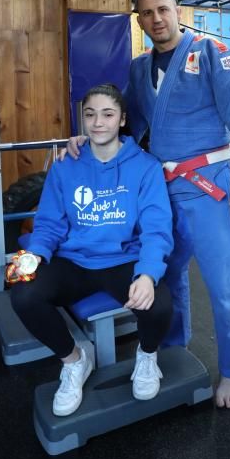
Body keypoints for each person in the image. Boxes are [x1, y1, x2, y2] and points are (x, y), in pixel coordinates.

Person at [65, 0, 230, 408]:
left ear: (177, 9)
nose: (157, 18)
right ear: (138, 21)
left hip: (207, 185)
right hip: (159, 187)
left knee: (223, 284)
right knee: (164, 277)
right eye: (147, 13)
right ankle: (171, 347)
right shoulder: (139, 69)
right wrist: (87, 139)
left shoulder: (211, 51)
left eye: (164, 9)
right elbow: (128, 123)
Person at [10, 83, 173, 417]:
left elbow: (157, 230)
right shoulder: (66, 166)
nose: (98, 122)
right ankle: (74, 361)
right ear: (82, 119)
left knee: (159, 306)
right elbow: (50, 223)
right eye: (90, 114)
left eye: (108, 114)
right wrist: (36, 254)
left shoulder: (145, 167)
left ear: (122, 119)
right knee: (23, 295)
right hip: (75, 261)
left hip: (122, 259)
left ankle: (146, 357)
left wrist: (146, 274)